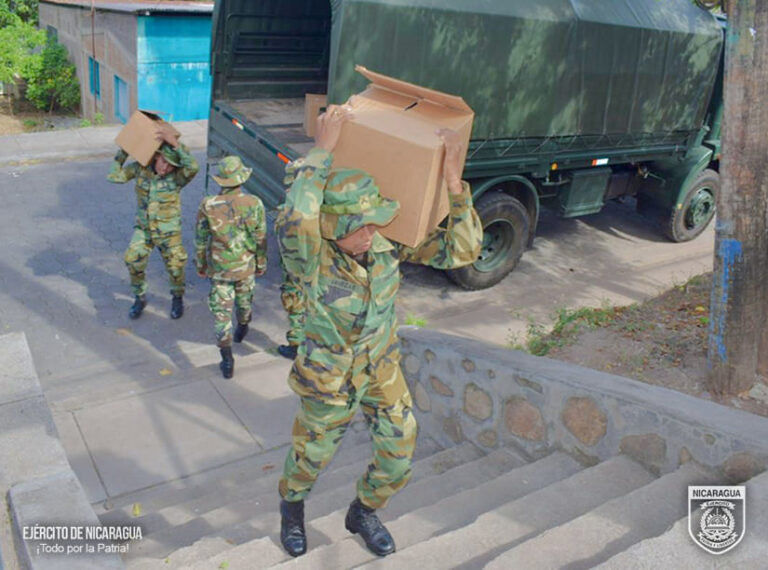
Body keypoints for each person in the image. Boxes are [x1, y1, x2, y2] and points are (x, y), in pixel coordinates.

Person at [277, 104, 483, 558]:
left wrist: (453, 182)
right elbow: (297, 217)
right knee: (310, 459)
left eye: (374, 220)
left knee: (398, 454)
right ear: (331, 226)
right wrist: (323, 151)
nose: (371, 232)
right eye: (359, 225)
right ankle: (291, 509)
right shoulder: (309, 259)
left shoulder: (388, 246)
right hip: (328, 380)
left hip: (380, 370)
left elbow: (463, 251)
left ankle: (363, 511)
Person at [107, 124, 199, 319]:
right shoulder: (139, 170)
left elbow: (193, 167)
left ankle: (177, 298)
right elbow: (114, 176)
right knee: (133, 259)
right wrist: (124, 150)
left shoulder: (178, 178)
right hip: (145, 229)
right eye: (164, 162)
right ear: (156, 155)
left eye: (171, 165)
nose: (166, 168)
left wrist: (175, 144)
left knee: (176, 266)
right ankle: (139, 297)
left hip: (169, 232)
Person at [194, 156, 267, 379]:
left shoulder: (208, 204)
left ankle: (227, 359)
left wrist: (201, 264)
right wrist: (261, 263)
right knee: (244, 304)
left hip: (220, 271)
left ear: (221, 181)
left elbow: (200, 238)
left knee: (221, 315)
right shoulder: (254, 203)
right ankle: (243, 326)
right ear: (241, 179)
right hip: (246, 268)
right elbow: (261, 237)